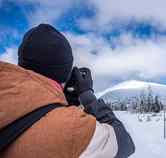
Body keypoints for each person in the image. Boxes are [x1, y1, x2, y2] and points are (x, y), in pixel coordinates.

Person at [0, 24, 135, 158]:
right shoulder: (72, 129)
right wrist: (87, 96)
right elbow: (123, 143)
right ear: (64, 73)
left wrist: (62, 103)